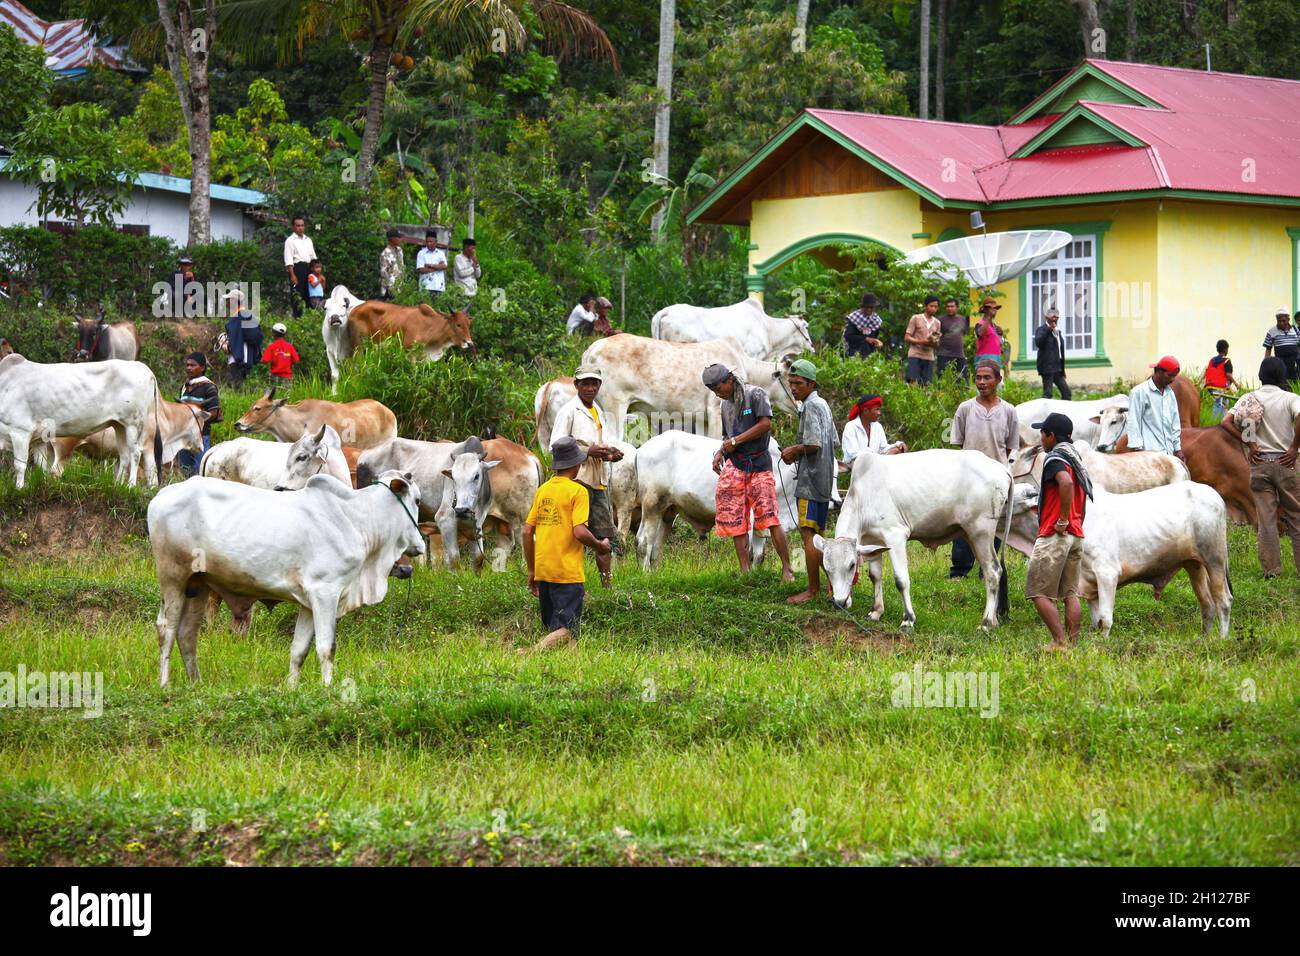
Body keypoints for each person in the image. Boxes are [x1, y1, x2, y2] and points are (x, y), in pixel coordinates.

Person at [520, 436, 612, 655]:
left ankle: (570, 666)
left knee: (558, 629)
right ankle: (529, 653)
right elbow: (579, 531)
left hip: (543, 571)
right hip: (566, 573)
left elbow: (526, 531)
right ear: (577, 464)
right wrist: (600, 546)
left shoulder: (543, 489)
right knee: (568, 629)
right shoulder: (577, 491)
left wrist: (532, 570)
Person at [703, 363, 795, 581]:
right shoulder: (725, 405)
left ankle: (787, 569)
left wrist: (736, 441)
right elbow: (728, 438)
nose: (717, 394)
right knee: (736, 519)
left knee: (770, 517)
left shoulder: (756, 394)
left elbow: (765, 425)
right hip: (736, 465)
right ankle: (745, 570)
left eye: (718, 388)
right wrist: (720, 452)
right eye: (713, 391)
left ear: (729, 380)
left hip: (759, 464)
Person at [949, 359, 1018, 617]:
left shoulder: (1009, 411)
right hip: (968, 478)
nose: (981, 382)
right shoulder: (965, 409)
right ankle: (959, 570)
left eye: (987, 378)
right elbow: (959, 443)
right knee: (962, 523)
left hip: (996, 479)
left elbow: (1010, 446)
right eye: (978, 378)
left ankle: (986, 568)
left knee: (993, 526)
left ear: (998, 380)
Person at [1222, 356, 1300, 579]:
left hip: (1259, 463)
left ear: (1260, 376)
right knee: (1296, 516)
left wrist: (1251, 444)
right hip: (1287, 464)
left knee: (1266, 519)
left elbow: (1226, 422)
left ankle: (1271, 570)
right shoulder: (1289, 398)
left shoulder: (1248, 398)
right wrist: (1294, 447)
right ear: (1282, 377)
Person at [549, 364, 624, 587]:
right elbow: (555, 446)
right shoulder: (569, 410)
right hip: (576, 479)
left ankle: (606, 585)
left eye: (594, 384)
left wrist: (610, 455)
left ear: (599, 386)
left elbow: (599, 445)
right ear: (576, 385)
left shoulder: (598, 411)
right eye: (585, 384)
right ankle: (567, 582)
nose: (590, 388)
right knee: (572, 534)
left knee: (604, 536)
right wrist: (587, 451)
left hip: (598, 481)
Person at [1025, 412, 1092, 653]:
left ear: (1051, 436)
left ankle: (1060, 642)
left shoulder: (1055, 458)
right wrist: (1075, 520)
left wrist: (1062, 519)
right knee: (1070, 594)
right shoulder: (1075, 459)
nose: (1041, 438)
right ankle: (1072, 646)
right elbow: (1081, 496)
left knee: (1038, 592)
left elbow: (1065, 484)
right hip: (1075, 535)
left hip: (1056, 534)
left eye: (1043, 433)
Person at [781, 359, 838, 603]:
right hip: (823, 478)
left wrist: (794, 450)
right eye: (790, 383)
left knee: (809, 536)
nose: (793, 387)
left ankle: (812, 590)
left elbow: (813, 444)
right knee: (818, 536)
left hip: (811, 481)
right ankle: (834, 587)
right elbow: (832, 440)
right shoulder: (822, 404)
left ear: (811, 384)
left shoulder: (811, 406)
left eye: (798, 383)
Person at [1123, 355, 1185, 460]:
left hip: (1168, 453)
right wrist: (1138, 451)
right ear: (1159, 372)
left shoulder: (1170, 394)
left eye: (1174, 376)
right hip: (1149, 455)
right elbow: (1133, 422)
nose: (1172, 379)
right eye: (1170, 375)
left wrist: (1177, 449)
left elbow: (1175, 424)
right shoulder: (1139, 392)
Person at [177, 352, 220, 477]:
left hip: (201, 436)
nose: (188, 368)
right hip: (184, 437)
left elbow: (214, 413)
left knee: (200, 472)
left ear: (202, 368)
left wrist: (196, 417)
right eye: (187, 365)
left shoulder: (209, 387)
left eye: (192, 365)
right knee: (186, 472)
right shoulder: (184, 387)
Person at [840, 394, 906, 467]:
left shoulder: (877, 426)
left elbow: (883, 448)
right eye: (876, 409)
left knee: (896, 451)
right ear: (865, 411)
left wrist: (898, 445)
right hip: (855, 467)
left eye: (879, 409)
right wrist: (879, 457)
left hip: (874, 464)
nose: (879, 413)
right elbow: (853, 455)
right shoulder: (851, 427)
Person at [223, 289, 263, 388]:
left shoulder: (238, 316)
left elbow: (236, 337)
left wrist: (228, 346)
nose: (226, 302)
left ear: (234, 301)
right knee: (241, 384)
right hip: (247, 356)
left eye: (228, 299)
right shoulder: (248, 315)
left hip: (239, 358)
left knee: (237, 386)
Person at [283, 215, 317, 318]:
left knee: (310, 294)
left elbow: (313, 258)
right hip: (297, 269)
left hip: (309, 268)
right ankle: (297, 319)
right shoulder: (290, 240)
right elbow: (288, 260)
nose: (300, 228)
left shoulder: (308, 240)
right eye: (298, 226)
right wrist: (292, 275)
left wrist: (316, 274)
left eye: (302, 225)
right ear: (293, 227)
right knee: (297, 295)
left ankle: (310, 318)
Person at [1034, 307, 1071, 399]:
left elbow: (1059, 352)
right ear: (1046, 317)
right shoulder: (1041, 329)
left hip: (1058, 369)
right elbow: (1038, 343)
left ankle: (1063, 412)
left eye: (1056, 317)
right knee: (1048, 394)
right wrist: (1048, 330)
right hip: (1047, 368)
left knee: (1067, 393)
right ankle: (1045, 412)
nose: (1054, 319)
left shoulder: (1058, 332)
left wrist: (1062, 370)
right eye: (1052, 317)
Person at [904, 296, 942, 385]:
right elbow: (907, 337)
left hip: (929, 356)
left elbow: (937, 345)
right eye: (931, 306)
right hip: (915, 354)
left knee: (926, 384)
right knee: (913, 382)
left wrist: (934, 342)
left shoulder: (937, 323)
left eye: (935, 307)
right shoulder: (916, 318)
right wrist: (922, 342)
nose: (933, 308)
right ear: (925, 306)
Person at [1201, 339, 1236, 422]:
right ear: (1225, 350)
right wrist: (1237, 384)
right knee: (1218, 404)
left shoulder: (1212, 360)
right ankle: (1215, 421)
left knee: (1223, 403)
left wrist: (1199, 382)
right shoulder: (1227, 360)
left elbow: (1206, 371)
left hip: (1210, 386)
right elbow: (1228, 374)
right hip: (1219, 386)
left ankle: (1223, 421)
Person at [936, 297, 970, 382]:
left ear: (957, 307)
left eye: (952, 306)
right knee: (943, 378)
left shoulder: (963, 319)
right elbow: (935, 335)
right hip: (944, 353)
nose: (949, 308)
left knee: (963, 379)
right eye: (948, 306)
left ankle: (962, 394)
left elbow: (964, 333)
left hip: (959, 354)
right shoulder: (940, 320)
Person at [1263, 307, 1300, 382]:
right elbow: (1268, 349)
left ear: (1288, 320)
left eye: (1284, 321)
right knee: (1282, 383)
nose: (1281, 323)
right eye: (1279, 321)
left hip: (1295, 364)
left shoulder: (1296, 330)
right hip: (1281, 364)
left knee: (1296, 384)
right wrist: (1266, 363)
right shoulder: (1271, 331)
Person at [843, 292, 884, 358]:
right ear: (863, 307)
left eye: (871, 307)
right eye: (867, 307)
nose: (869, 309)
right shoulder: (854, 317)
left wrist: (877, 342)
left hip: (870, 354)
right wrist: (865, 339)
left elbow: (874, 337)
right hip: (854, 353)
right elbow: (848, 336)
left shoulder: (876, 320)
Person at [415, 230, 447, 301]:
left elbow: (444, 266)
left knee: (438, 310)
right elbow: (421, 270)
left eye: (431, 242)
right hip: (425, 287)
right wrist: (438, 267)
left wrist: (430, 265)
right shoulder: (421, 253)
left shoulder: (440, 253)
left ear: (436, 242)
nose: (429, 244)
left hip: (439, 287)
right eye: (427, 242)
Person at [974, 297, 1005, 368]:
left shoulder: (994, 326)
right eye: (992, 308)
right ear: (985, 310)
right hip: (984, 362)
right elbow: (980, 334)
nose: (995, 310)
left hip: (996, 361)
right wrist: (989, 317)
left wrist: (1000, 336)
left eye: (996, 308)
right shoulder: (980, 324)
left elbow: (995, 343)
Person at [378, 228, 404, 300]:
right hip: (390, 289)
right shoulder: (385, 253)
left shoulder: (399, 250)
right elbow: (384, 273)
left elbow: (402, 268)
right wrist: (390, 290)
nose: (400, 239)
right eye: (398, 237)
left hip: (400, 287)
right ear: (392, 239)